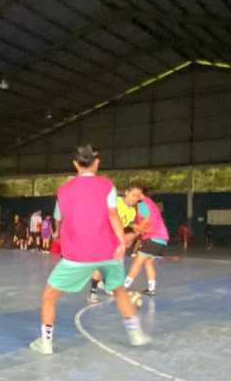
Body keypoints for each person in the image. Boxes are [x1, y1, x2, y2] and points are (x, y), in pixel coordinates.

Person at [33, 145, 147, 355]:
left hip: (77, 255)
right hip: (108, 252)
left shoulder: (63, 190)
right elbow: (113, 216)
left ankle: (46, 342)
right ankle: (135, 332)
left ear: (75, 164)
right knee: (119, 291)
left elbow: (60, 218)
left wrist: (58, 231)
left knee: (49, 296)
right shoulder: (107, 186)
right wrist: (122, 242)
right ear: (97, 163)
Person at [122, 185, 169, 296]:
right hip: (162, 238)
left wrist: (134, 234)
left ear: (142, 194)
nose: (137, 197)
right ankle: (151, 288)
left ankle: (124, 286)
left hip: (153, 236)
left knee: (137, 262)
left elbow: (146, 221)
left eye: (138, 194)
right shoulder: (151, 204)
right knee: (148, 263)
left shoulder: (143, 204)